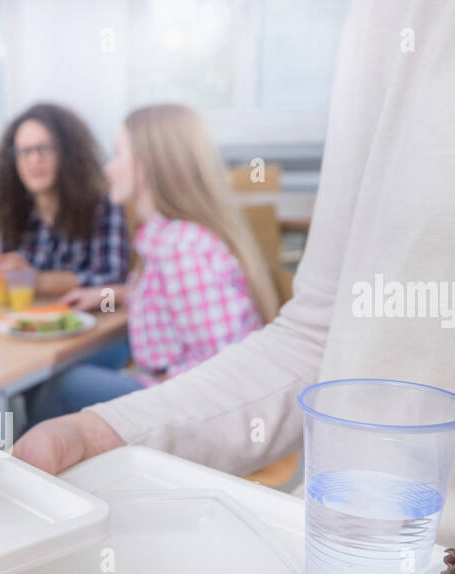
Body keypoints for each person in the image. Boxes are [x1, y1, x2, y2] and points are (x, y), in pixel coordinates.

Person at [13, 0, 455, 559]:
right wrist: (105, 431)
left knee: (63, 386)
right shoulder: (383, 24)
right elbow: (315, 336)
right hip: (331, 557)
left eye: (118, 154)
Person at [27, 104, 277, 423]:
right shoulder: (170, 239)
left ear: (148, 165)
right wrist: (111, 294)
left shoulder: (181, 249)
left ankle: (21, 468)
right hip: (172, 386)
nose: (108, 169)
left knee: (64, 386)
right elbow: (176, 300)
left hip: (194, 409)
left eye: (117, 155)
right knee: (69, 378)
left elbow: (221, 374)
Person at [0, 102, 130, 299]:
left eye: (45, 148)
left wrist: (39, 281)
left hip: (92, 325)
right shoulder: (14, 208)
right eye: (24, 151)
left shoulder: (103, 205)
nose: (34, 160)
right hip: (29, 324)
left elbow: (113, 281)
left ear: (68, 152)